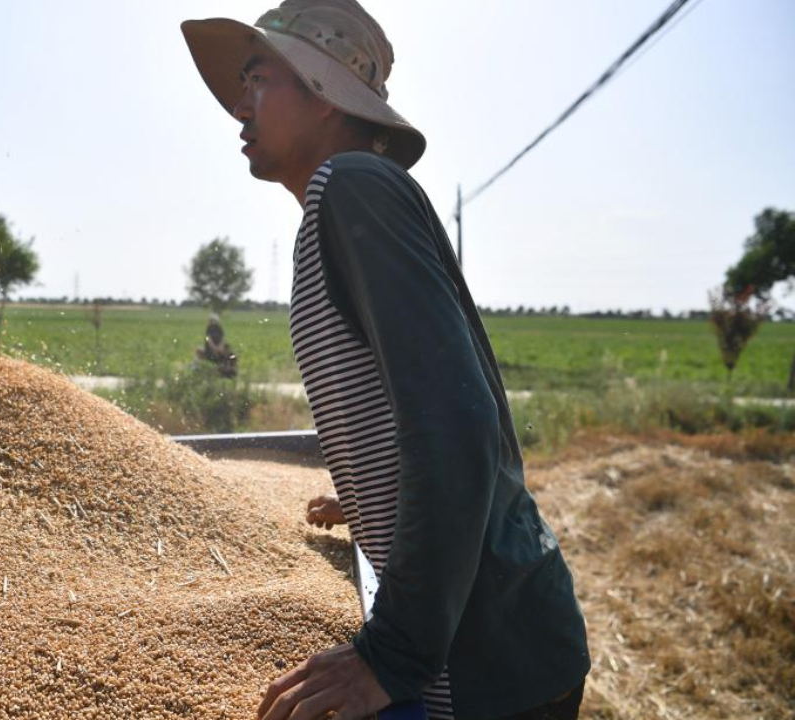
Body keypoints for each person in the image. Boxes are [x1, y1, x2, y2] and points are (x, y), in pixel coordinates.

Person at [180, 3, 590, 720]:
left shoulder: (354, 186)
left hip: (493, 661)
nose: (239, 105)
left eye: (258, 79)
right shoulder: (341, 201)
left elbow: (460, 422)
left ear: (323, 89)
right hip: (507, 642)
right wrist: (381, 492)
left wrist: (391, 653)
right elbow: (432, 403)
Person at [195, 313, 239, 378]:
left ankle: (228, 369)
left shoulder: (218, 328)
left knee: (230, 356)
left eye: (213, 321)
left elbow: (223, 338)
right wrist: (215, 348)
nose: (213, 322)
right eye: (211, 321)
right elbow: (209, 339)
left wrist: (220, 347)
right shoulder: (209, 328)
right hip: (212, 349)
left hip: (219, 348)